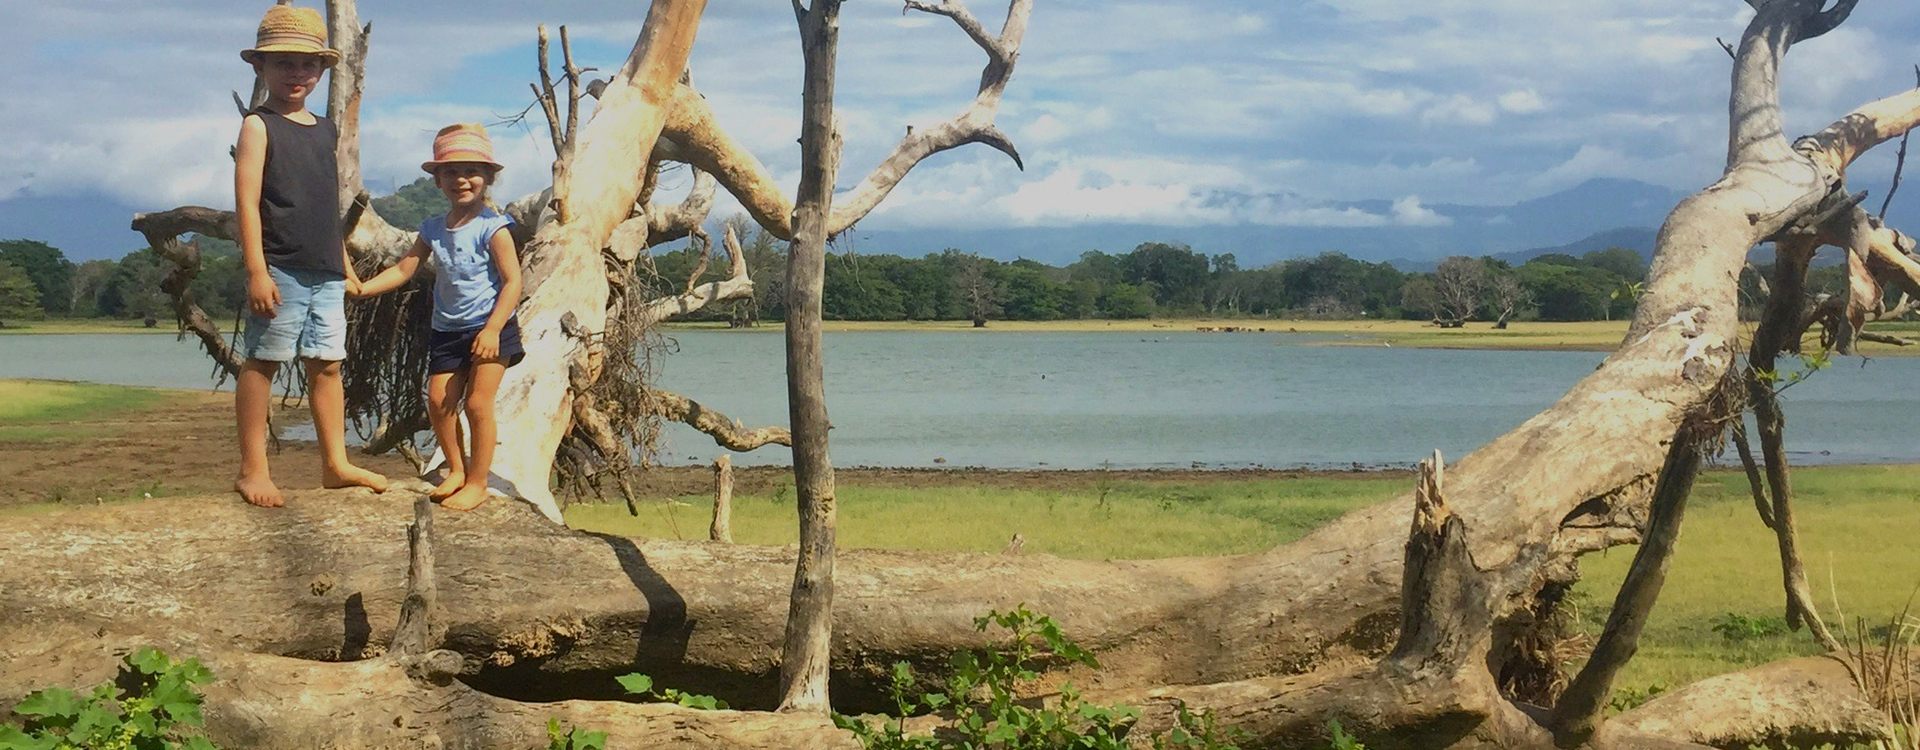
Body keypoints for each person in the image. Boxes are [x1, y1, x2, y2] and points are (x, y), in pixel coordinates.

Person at [233, 4, 386, 507]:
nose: (297, 74)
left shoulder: (324, 128)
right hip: (280, 267)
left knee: (328, 365)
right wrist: (257, 269)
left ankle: (335, 463)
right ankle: (253, 468)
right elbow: (248, 202)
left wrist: (341, 260)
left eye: (307, 64)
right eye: (284, 63)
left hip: (324, 269)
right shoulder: (258, 125)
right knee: (263, 362)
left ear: (322, 70)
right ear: (260, 67)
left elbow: (325, 204)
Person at [355, 123, 524, 512]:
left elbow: (514, 281)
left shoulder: (493, 228)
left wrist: (495, 328)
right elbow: (404, 269)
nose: (461, 179)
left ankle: (478, 482)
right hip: (446, 329)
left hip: (490, 327)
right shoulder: (433, 228)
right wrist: (363, 289)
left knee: (479, 404)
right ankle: (456, 468)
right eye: (451, 172)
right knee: (438, 401)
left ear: (489, 178)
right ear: (436, 180)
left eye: (471, 171)